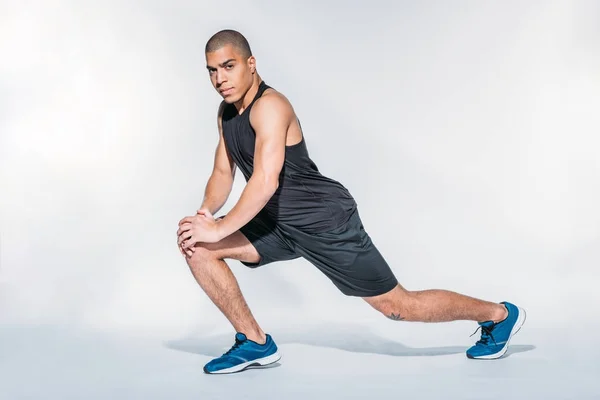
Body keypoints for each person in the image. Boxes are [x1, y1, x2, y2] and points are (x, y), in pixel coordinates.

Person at [176, 29, 526, 375]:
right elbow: (223, 174)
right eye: (212, 70)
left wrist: (220, 226)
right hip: (277, 223)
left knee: (397, 306)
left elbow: (265, 181)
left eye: (228, 66)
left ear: (250, 64)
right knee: (199, 248)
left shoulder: (270, 106)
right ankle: (254, 342)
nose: (220, 78)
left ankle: (499, 315)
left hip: (325, 220)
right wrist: (205, 216)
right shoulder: (226, 113)